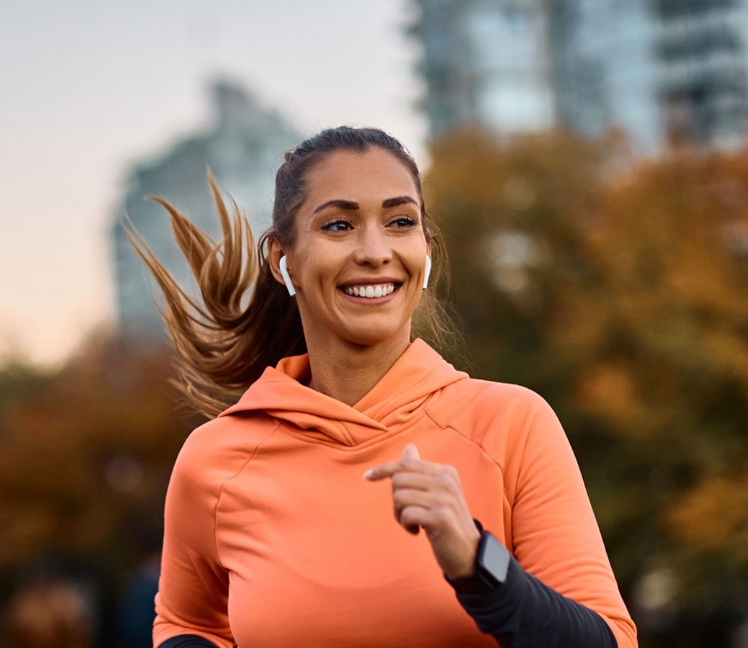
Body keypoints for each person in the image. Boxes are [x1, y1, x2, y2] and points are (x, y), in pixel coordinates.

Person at [133, 126, 637, 647]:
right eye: (338, 225)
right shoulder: (215, 459)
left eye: (400, 222)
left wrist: (478, 562)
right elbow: (188, 625)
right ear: (283, 259)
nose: (375, 250)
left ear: (425, 251)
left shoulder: (512, 424)